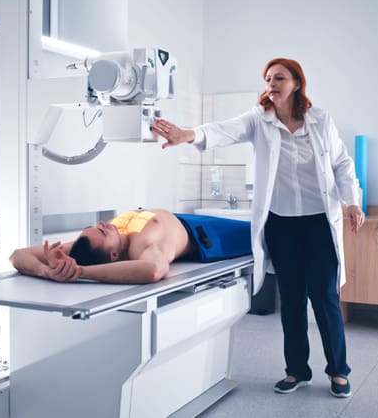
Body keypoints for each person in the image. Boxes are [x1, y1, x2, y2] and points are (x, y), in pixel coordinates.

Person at [151, 58, 364, 398]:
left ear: (296, 82)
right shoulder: (258, 120)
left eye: (279, 77)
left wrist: (352, 201)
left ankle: (339, 370)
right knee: (292, 299)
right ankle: (297, 370)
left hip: (319, 222)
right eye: (267, 79)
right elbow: (222, 130)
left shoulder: (320, 121)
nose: (271, 84)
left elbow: (341, 163)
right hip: (280, 224)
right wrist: (188, 135)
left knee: (324, 298)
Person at [9, 208, 250, 284]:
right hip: (201, 233)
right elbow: (153, 271)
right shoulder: (143, 246)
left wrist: (46, 271)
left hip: (180, 216)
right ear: (114, 254)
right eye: (103, 231)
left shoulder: (84, 246)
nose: (104, 223)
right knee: (264, 232)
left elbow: (17, 255)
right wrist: (80, 273)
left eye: (98, 225)